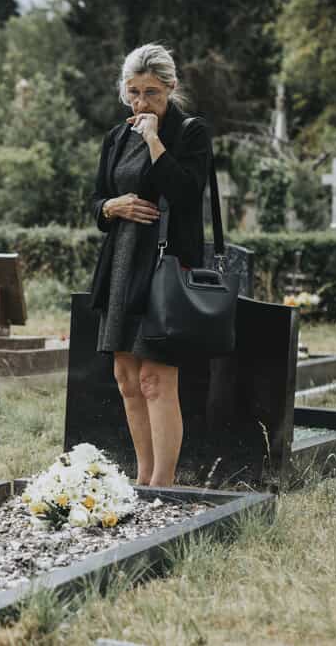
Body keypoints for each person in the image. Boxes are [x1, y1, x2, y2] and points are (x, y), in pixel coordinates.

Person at [87, 44, 212, 487]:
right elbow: (96, 202)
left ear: (171, 89)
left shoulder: (190, 133)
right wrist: (112, 206)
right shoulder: (116, 138)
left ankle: (164, 484)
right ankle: (142, 479)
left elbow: (184, 193)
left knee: (155, 377)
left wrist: (155, 140)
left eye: (152, 93)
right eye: (134, 92)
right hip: (121, 262)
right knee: (126, 377)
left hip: (164, 267)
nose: (141, 103)